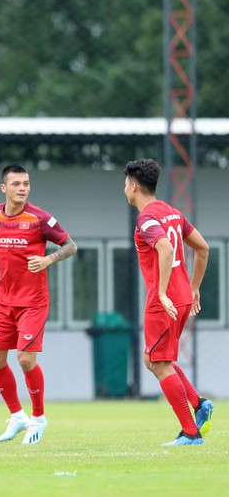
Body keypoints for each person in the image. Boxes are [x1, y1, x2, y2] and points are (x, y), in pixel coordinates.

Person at [0, 164, 77, 445]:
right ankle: (17, 416)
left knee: (25, 359)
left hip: (33, 303)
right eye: (16, 184)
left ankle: (38, 418)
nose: (22, 188)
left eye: (26, 183)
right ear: (4, 188)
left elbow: (70, 246)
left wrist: (48, 259)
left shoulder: (39, 218)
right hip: (4, 301)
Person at [123, 158, 214, 445]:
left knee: (160, 364)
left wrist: (161, 293)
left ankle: (190, 432)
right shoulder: (172, 212)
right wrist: (194, 288)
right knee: (153, 359)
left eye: (125, 184)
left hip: (164, 301)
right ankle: (199, 405)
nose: (124, 189)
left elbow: (164, 247)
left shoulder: (146, 218)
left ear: (134, 186)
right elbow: (203, 247)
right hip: (183, 297)